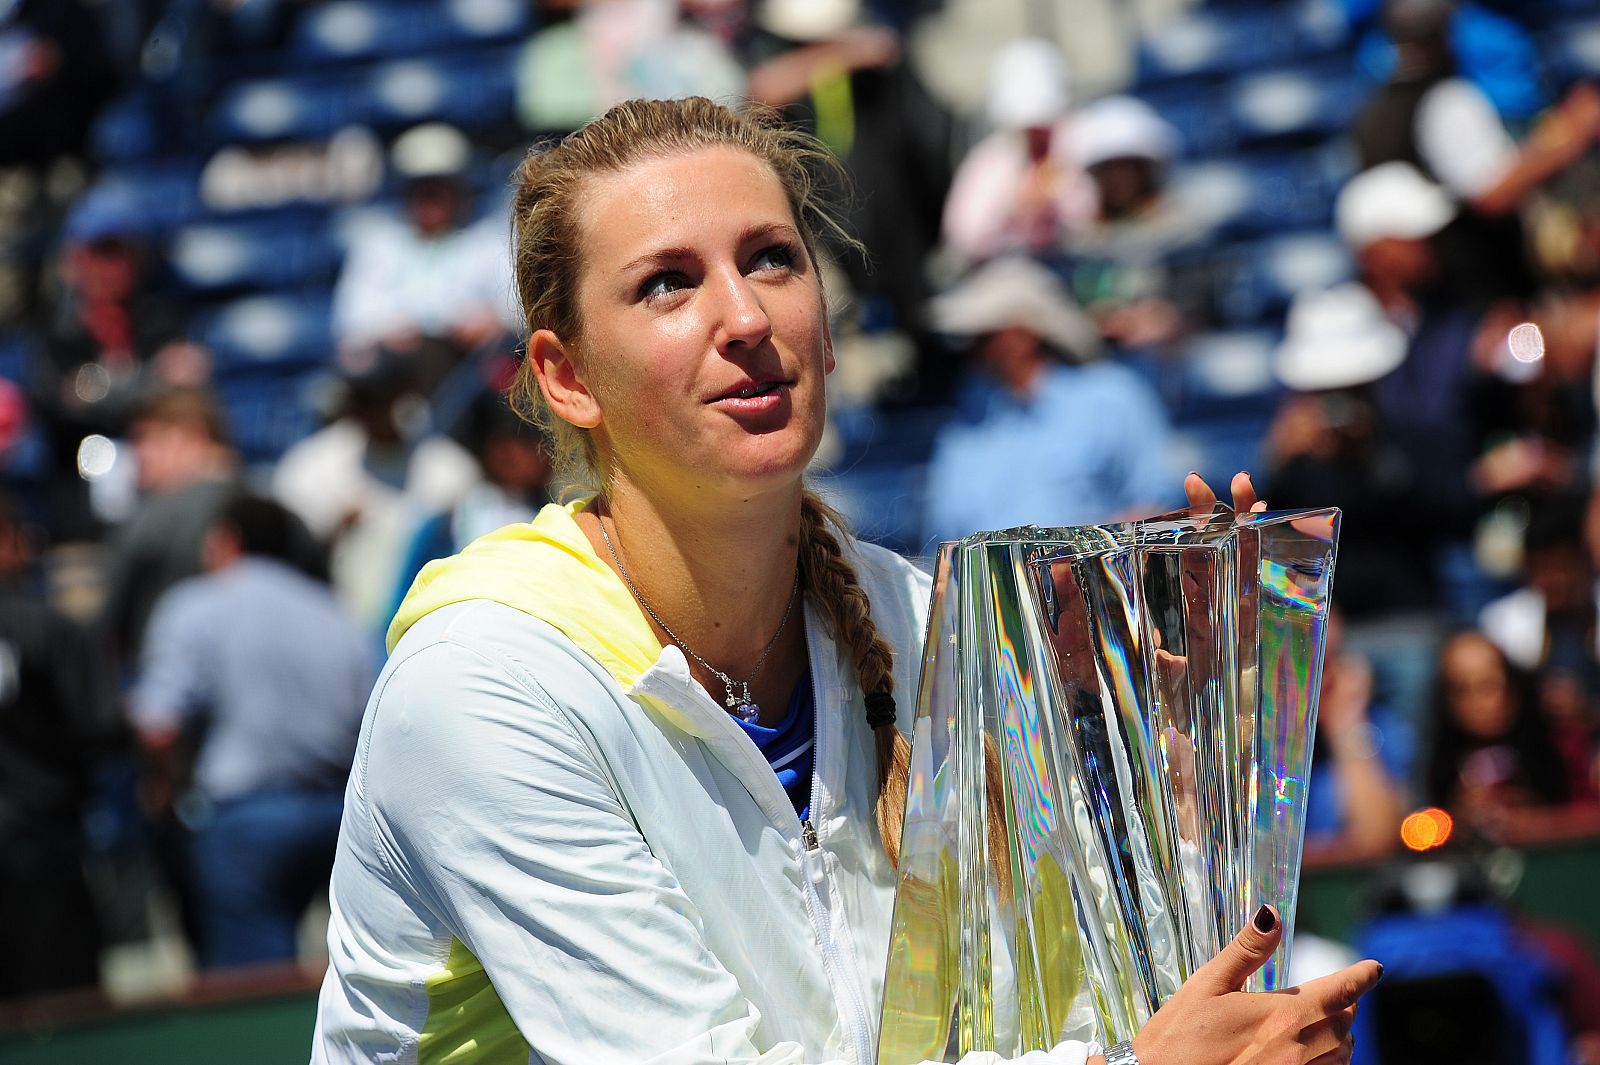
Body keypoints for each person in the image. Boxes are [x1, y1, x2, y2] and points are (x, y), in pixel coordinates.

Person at [311, 97, 1379, 1064]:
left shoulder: (918, 626)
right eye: (667, 283)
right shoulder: (482, 687)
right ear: (565, 376)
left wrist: (1178, 823)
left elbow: (1055, 1023)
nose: (743, 318)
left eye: (772, 259)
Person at [130, 494, 374, 968]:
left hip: (243, 821)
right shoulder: (334, 610)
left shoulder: (195, 605)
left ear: (227, 540)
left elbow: (157, 724)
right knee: (354, 971)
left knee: (255, 990)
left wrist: (163, 784)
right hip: (339, 815)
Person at [922, 256, 1176, 548]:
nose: (974, 350)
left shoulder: (1112, 397)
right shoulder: (961, 436)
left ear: (1022, 335)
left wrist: (1087, 561)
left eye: (985, 336)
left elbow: (1158, 507)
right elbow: (944, 547)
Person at [0, 493, 123, 998]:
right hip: (41, 837)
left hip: (37, 834)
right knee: (64, 1000)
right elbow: (100, 726)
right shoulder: (49, 626)